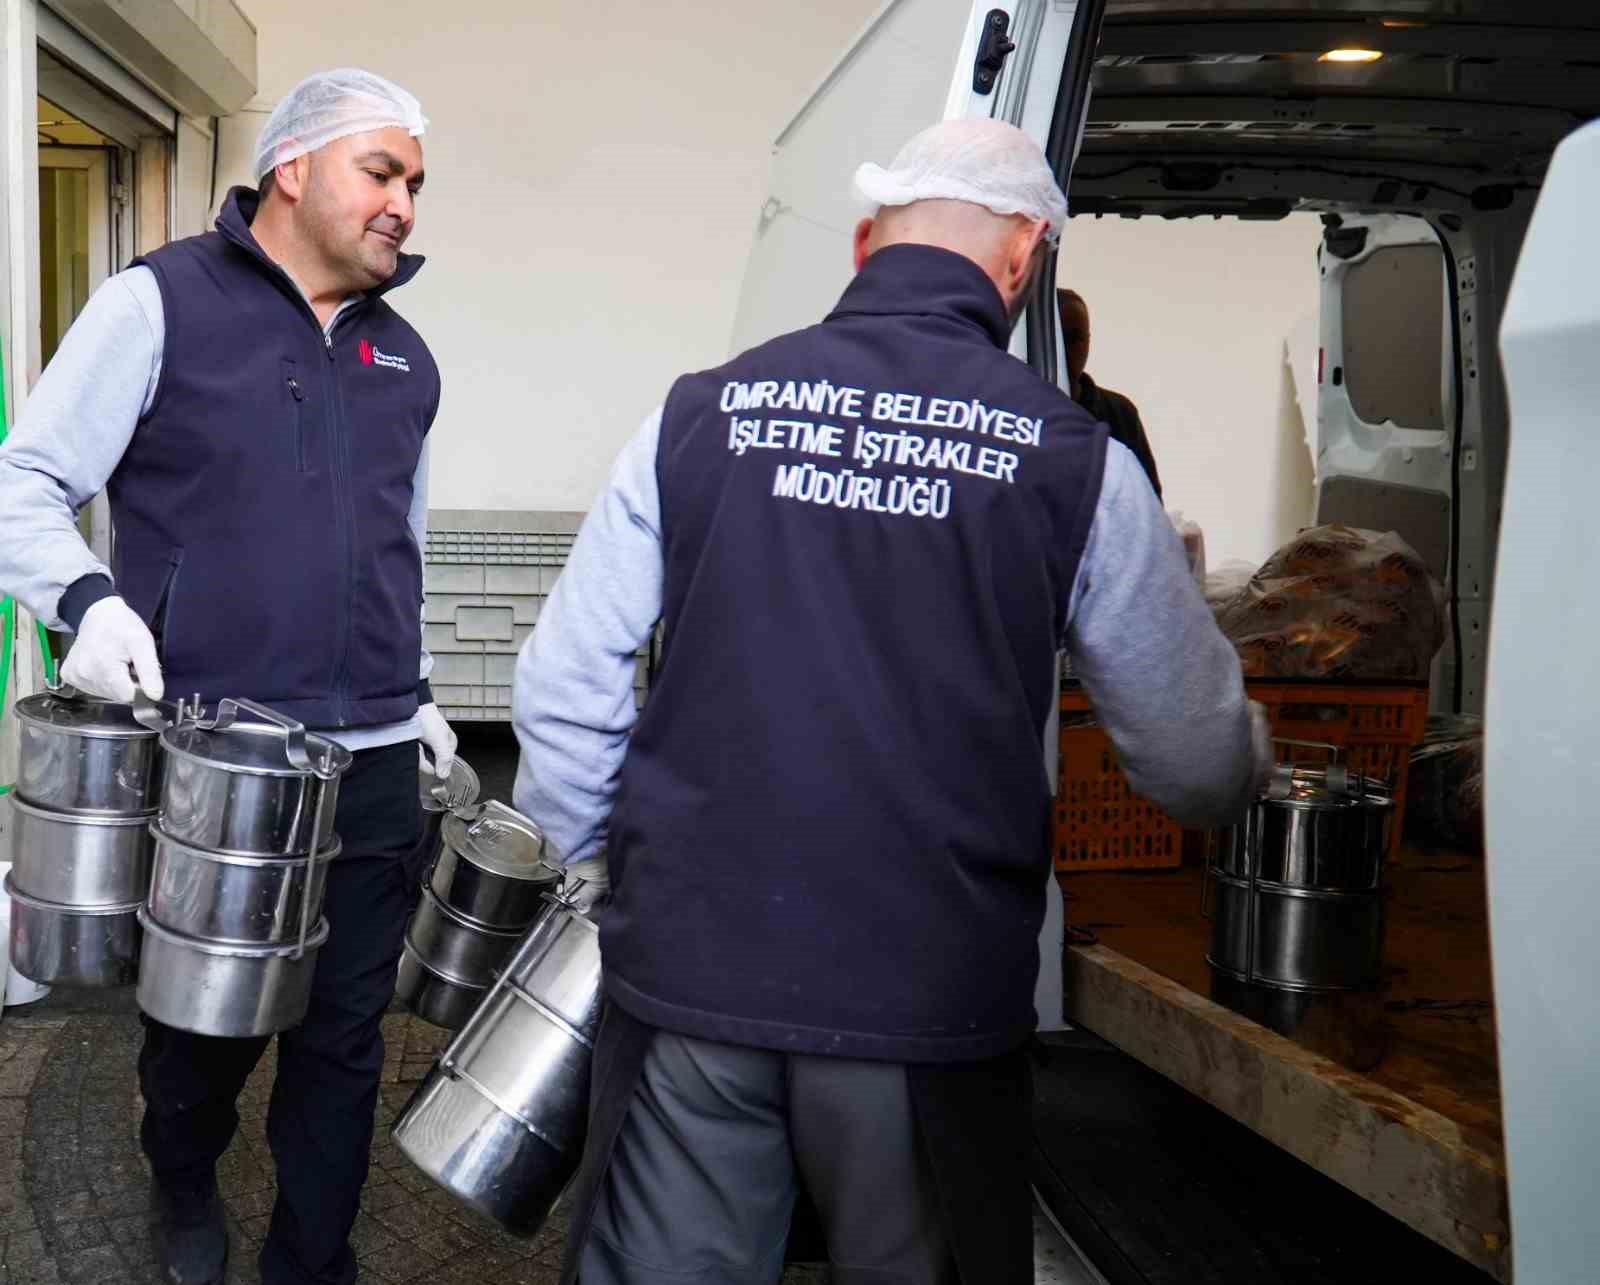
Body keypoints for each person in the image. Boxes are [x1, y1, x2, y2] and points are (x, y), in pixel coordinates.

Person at [513, 118, 1269, 1284]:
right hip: (924, 1000)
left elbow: (565, 686)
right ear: (1022, 259)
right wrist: (1250, 766)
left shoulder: (696, 414)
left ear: (865, 241)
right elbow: (1193, 759)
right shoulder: (1075, 463)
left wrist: (602, 875)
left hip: (695, 971)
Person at [0, 69, 455, 1285]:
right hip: (217, 760)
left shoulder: (405, 357)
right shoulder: (159, 304)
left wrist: (416, 695)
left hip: (367, 761)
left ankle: (311, 1257)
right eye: (382, 172)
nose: (405, 204)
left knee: (343, 1040)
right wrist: (86, 602)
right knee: (199, 1031)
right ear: (292, 168)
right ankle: (183, 1171)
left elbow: (395, 544)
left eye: (416, 183)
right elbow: (23, 484)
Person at [1057, 286, 1163, 497]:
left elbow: (1147, 499)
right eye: (1058, 338)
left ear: (1088, 341)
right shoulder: (1024, 407)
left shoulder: (1120, 412)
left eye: (1074, 339)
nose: (1065, 350)